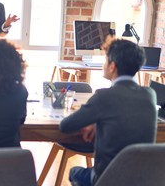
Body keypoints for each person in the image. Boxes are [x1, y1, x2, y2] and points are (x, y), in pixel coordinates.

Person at [59, 38, 158, 186]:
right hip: (140, 179)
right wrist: (99, 122)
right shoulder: (150, 94)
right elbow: (124, 117)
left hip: (107, 179)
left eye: (105, 60)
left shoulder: (104, 96)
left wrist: (95, 120)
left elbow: (65, 126)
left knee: (74, 172)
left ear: (112, 66)